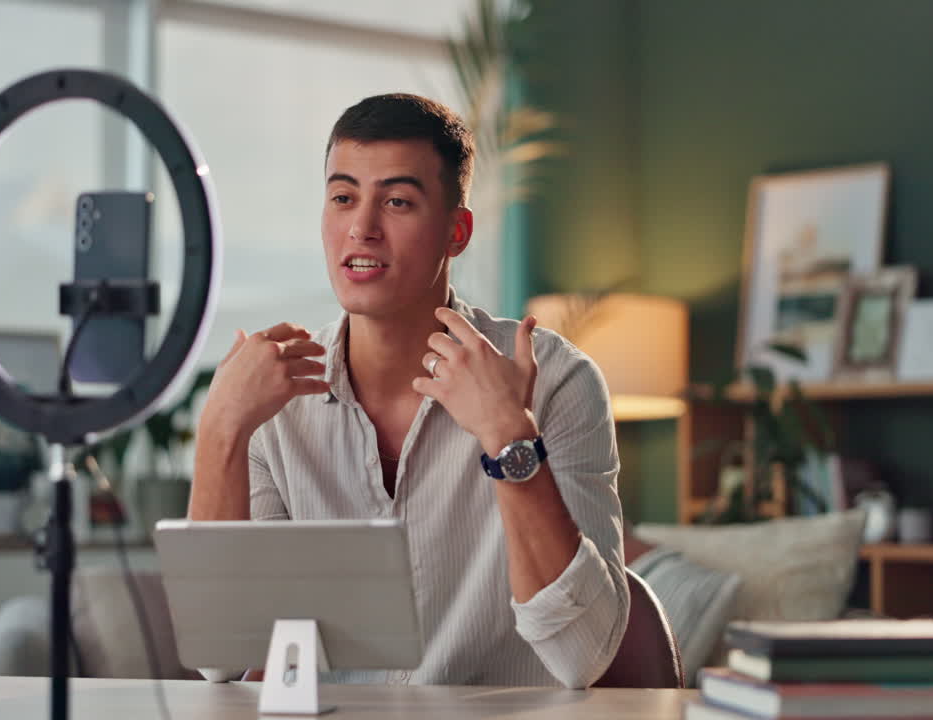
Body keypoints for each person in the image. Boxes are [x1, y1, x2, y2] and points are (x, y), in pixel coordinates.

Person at [189, 93, 628, 689]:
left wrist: (509, 436)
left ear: (458, 230)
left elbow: (583, 656)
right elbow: (221, 656)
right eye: (343, 198)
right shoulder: (275, 400)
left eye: (397, 201)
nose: (362, 228)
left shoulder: (556, 381)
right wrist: (220, 430)